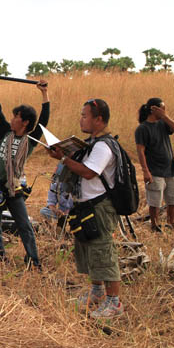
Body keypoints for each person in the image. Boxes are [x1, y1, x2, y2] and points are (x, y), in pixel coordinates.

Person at [47, 99, 123, 319]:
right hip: (86, 206)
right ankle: (97, 292)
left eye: (85, 115)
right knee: (89, 250)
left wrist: (63, 158)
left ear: (98, 119)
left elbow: (89, 172)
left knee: (103, 251)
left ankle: (114, 303)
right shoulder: (92, 143)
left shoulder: (103, 146)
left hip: (100, 206)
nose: (81, 119)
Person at [0, 71, 49, 268]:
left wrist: (44, 94)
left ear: (25, 122)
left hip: (13, 188)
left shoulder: (30, 140)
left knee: (24, 225)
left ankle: (33, 261)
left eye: (16, 117)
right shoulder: (5, 131)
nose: (12, 119)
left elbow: (44, 120)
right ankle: (0, 258)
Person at [135, 98, 174, 232]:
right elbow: (140, 151)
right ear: (154, 109)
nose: (164, 111)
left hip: (170, 170)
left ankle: (170, 223)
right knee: (155, 200)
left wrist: (165, 116)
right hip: (154, 170)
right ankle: (155, 226)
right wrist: (145, 171)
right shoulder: (142, 128)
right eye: (162, 108)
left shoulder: (163, 123)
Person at [40, 162, 74, 231]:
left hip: (74, 213)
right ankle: (56, 229)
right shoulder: (55, 184)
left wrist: (68, 212)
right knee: (43, 211)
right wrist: (56, 211)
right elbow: (51, 203)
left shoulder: (76, 185)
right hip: (61, 213)